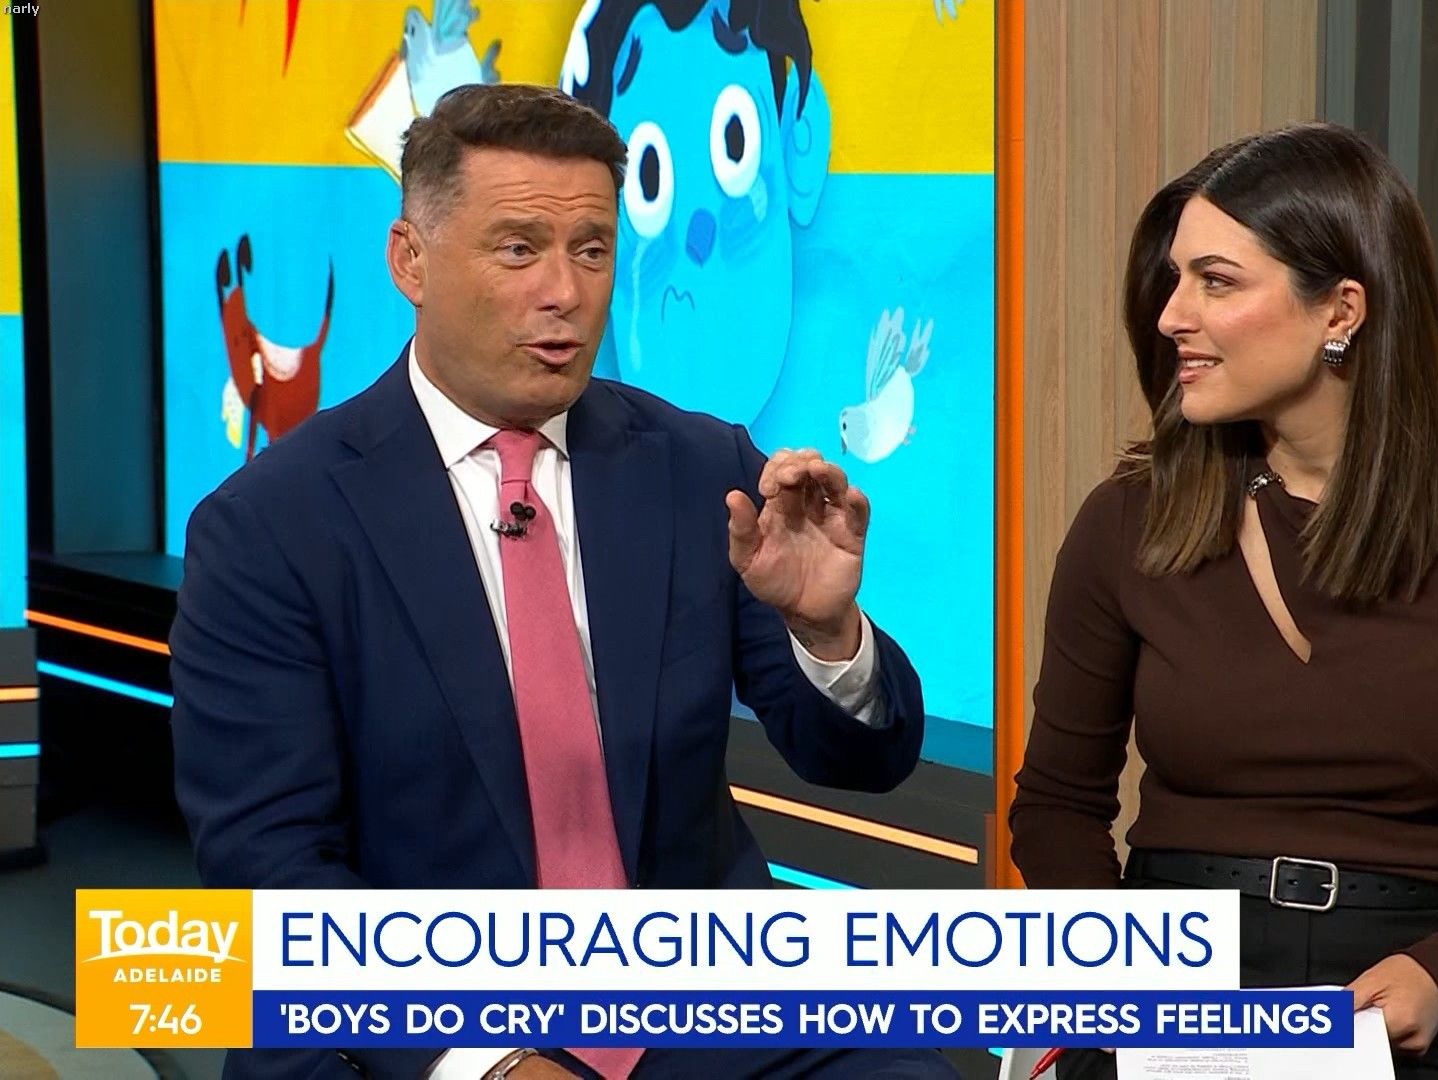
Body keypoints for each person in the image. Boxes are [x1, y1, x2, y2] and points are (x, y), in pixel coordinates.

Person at [171, 83, 957, 1080]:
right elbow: (270, 868)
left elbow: (860, 762)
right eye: (518, 250)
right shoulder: (270, 528)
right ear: (410, 261)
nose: (566, 293)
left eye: (591, 250)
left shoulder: (699, 470)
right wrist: (485, 1060)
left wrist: (826, 633)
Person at [1009, 123, 1438, 1079]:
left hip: (1433, 985)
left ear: (1340, 312)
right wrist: (1129, 984)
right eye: (1175, 280)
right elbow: (1056, 808)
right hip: (1178, 974)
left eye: (1216, 282)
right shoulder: (1128, 519)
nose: (1172, 315)